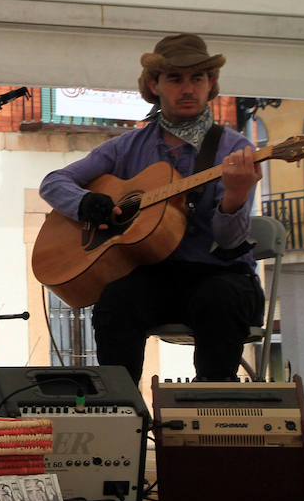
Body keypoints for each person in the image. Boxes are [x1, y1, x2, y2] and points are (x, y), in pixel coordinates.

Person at [40, 33, 264, 384]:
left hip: (219, 274)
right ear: (154, 85)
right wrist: (85, 203)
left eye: (198, 78)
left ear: (211, 85)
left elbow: (229, 243)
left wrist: (236, 195)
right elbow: (53, 183)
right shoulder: (126, 147)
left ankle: (213, 407)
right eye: (175, 78)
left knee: (220, 299)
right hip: (155, 277)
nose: (187, 88)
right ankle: (123, 412)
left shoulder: (235, 150)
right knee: (115, 301)